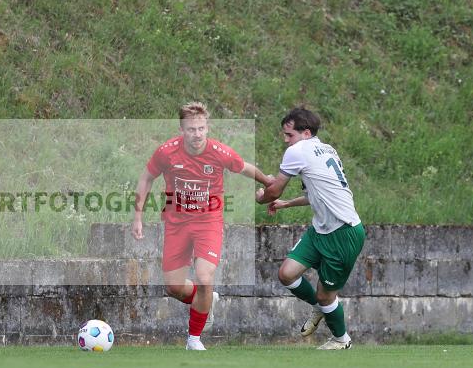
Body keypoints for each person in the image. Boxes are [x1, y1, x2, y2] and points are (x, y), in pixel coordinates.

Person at [132, 103, 272, 350]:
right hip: (176, 224)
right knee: (174, 287)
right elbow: (146, 178)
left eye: (201, 129)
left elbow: (245, 168)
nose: (197, 134)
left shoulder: (219, 152)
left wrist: (269, 183)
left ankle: (194, 339)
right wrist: (138, 216)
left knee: (205, 277)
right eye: (191, 129)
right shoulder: (166, 152)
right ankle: (207, 299)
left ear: (207, 128)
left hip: (208, 222)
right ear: (181, 130)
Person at [255, 107, 366, 350]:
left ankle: (341, 340)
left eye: (289, 134)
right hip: (321, 229)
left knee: (327, 295)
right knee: (286, 273)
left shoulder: (298, 151)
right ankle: (319, 306)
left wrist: (263, 196)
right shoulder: (326, 149)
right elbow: (316, 194)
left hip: (343, 232)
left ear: (305, 133)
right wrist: (286, 204)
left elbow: (274, 190)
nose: (285, 140)